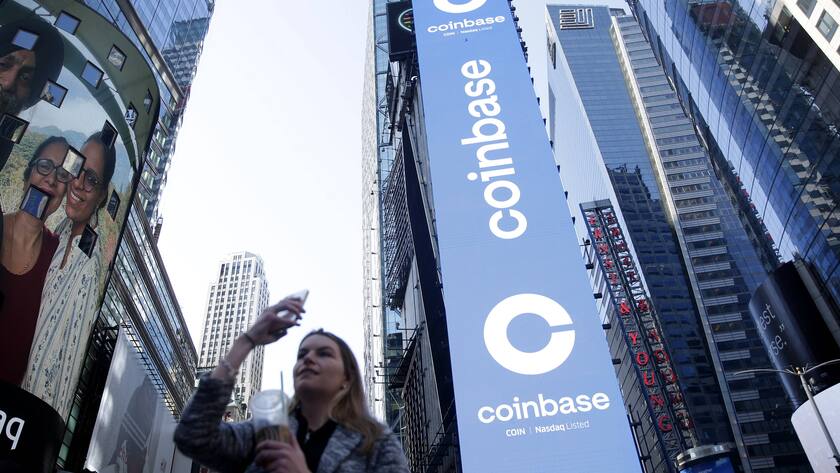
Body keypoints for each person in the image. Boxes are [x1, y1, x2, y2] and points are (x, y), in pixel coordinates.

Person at [174, 297, 410, 473]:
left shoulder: (377, 443)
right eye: (302, 354)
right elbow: (192, 437)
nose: (308, 358)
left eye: (324, 354)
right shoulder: (265, 431)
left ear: (347, 378)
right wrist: (248, 340)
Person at [22, 132, 116, 421]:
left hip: (33, 422)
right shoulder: (61, 232)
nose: (77, 183)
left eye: (91, 179)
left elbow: (68, 373)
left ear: (102, 196)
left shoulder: (89, 265)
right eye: (77, 168)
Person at [0, 136, 69, 385]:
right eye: (44, 166)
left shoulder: (60, 259)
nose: (51, 178)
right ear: (28, 173)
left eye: (62, 175)